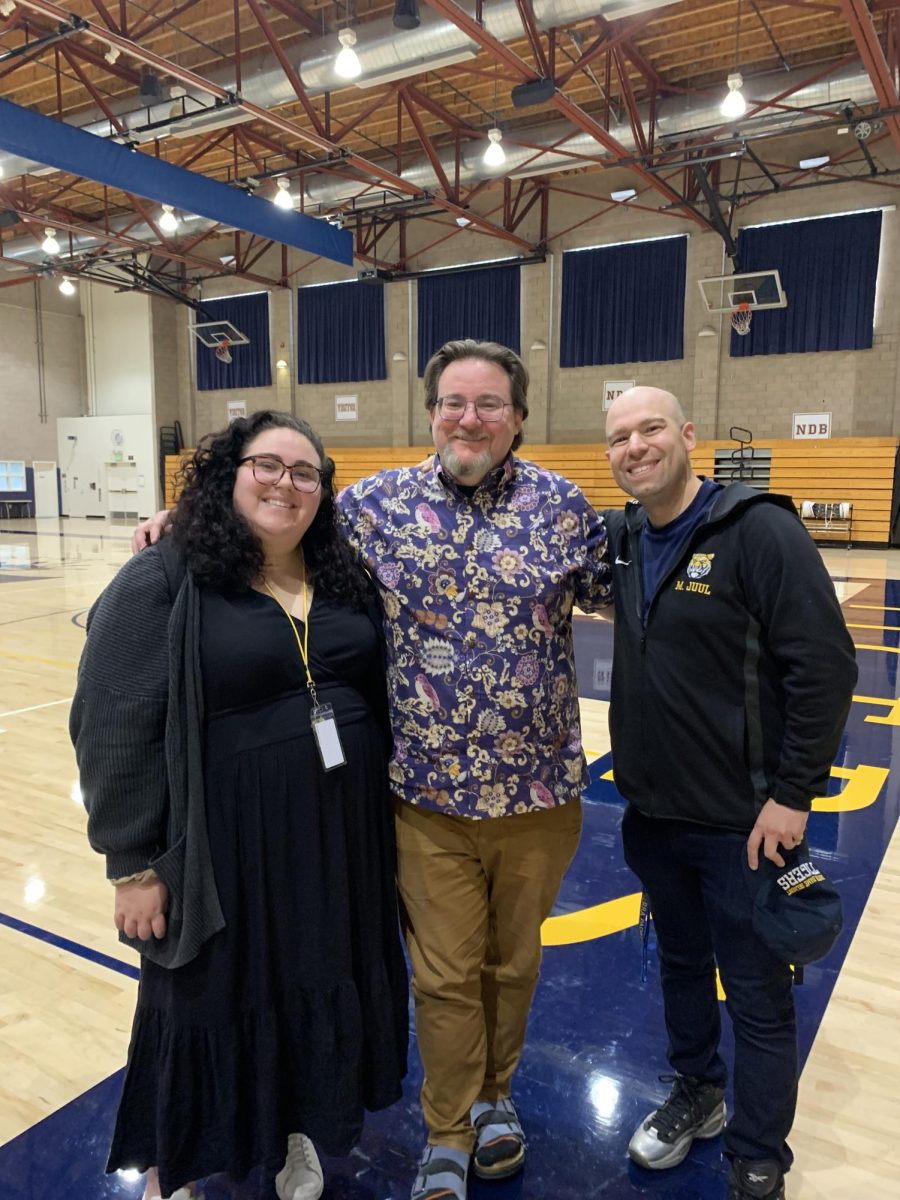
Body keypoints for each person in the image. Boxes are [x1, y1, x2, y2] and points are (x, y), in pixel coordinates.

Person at [135, 340, 613, 1200]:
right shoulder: (371, 506)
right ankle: (449, 1129)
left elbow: (636, 595)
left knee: (514, 963)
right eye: (454, 403)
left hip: (541, 793)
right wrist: (179, 526)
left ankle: (499, 1096)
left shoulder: (567, 507)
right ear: (431, 411)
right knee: (441, 975)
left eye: (490, 404)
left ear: (519, 417)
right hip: (422, 797)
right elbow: (270, 521)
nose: (470, 419)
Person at [72, 411, 408, 1200]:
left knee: (313, 978)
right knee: (205, 998)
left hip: (335, 836)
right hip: (223, 841)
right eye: (267, 464)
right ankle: (175, 1164)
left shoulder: (345, 571)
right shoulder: (166, 574)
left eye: (304, 473)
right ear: (228, 474)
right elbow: (110, 720)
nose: (285, 484)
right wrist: (134, 865)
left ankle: (298, 1131)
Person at [602, 387, 857, 1200]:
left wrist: (793, 795)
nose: (634, 446)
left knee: (756, 993)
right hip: (653, 816)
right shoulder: (625, 536)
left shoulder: (759, 530)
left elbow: (825, 666)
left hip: (746, 825)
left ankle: (759, 1152)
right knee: (680, 966)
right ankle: (698, 1093)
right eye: (618, 437)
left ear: (688, 435)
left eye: (650, 429)